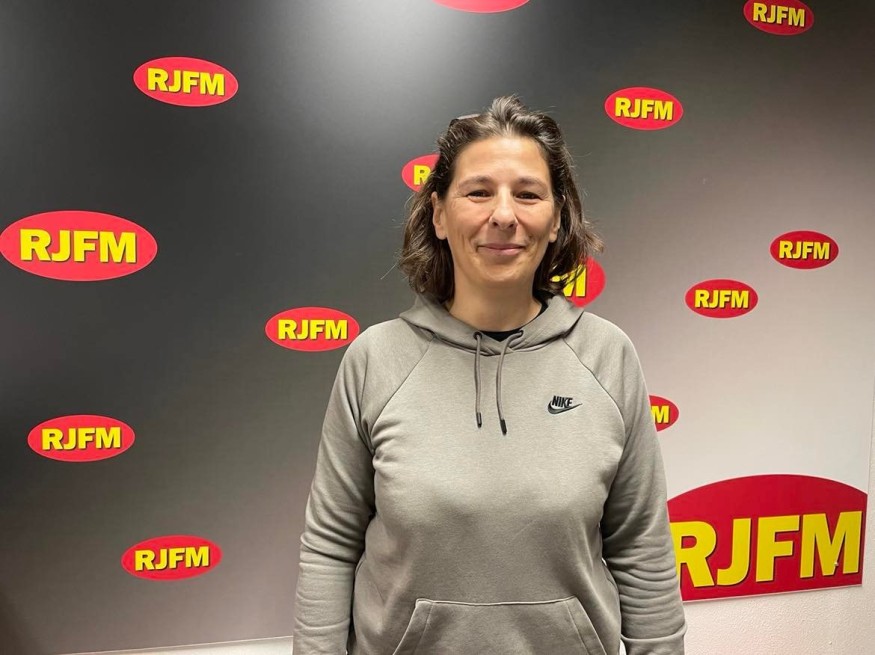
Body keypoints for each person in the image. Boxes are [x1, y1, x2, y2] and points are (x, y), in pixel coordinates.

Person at [293, 95, 686, 655]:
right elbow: (330, 546)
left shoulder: (607, 357)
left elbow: (642, 548)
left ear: (557, 218)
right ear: (439, 214)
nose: (504, 215)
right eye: (478, 192)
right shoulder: (375, 360)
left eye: (528, 194)